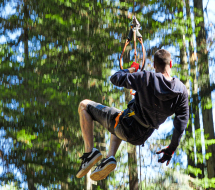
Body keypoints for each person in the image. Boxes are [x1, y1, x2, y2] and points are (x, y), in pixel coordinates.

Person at [76, 49, 189, 181]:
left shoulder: (146, 77)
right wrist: (171, 149)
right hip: (142, 136)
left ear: (154, 65)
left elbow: (115, 78)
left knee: (84, 105)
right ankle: (109, 158)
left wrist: (131, 69)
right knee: (118, 115)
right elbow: (181, 125)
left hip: (127, 126)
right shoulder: (181, 91)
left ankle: (89, 153)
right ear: (170, 64)